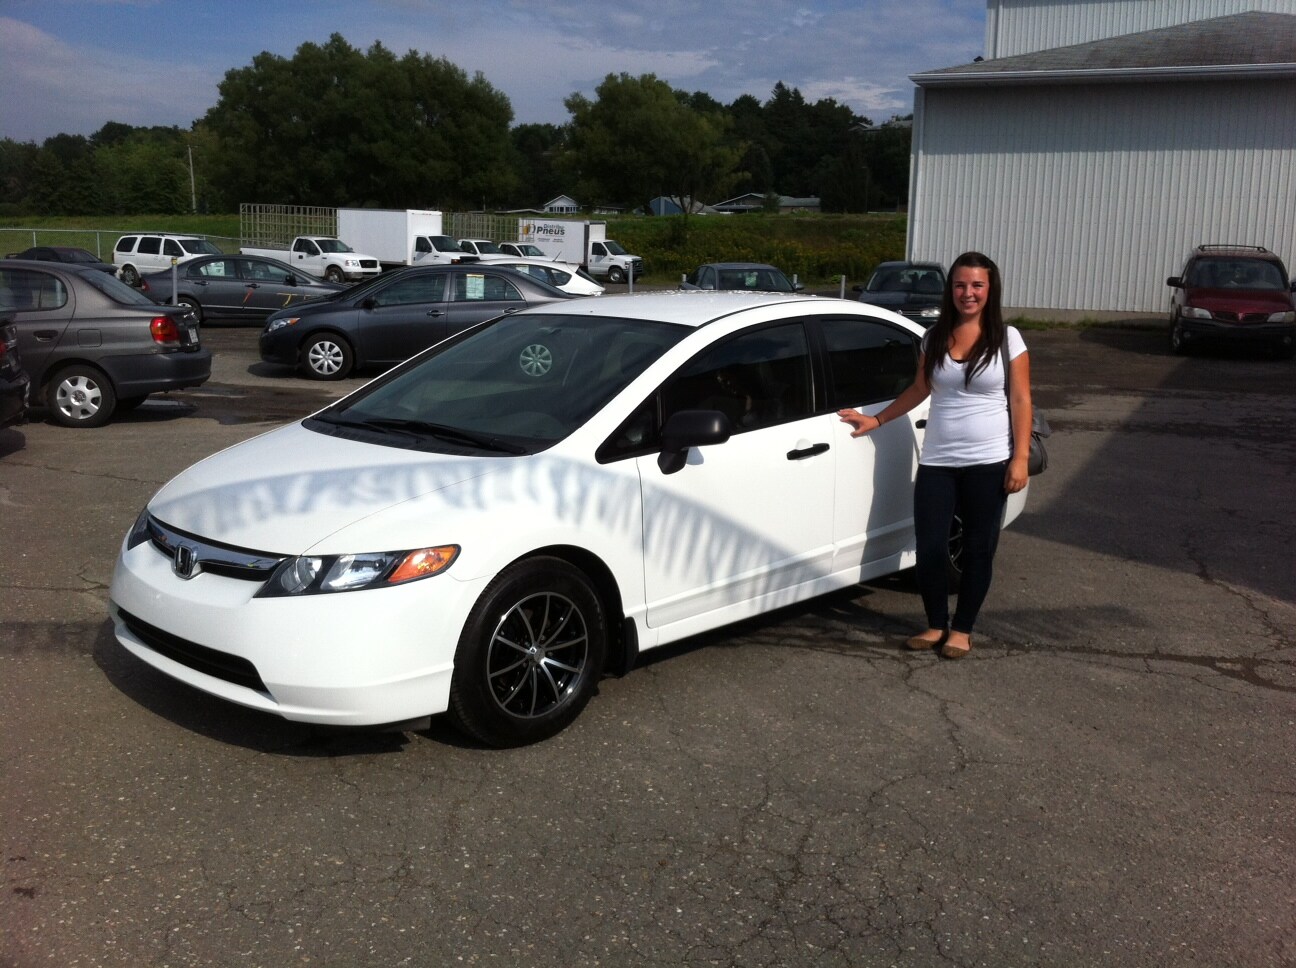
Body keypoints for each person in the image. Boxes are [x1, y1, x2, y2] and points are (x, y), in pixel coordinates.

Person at [838, 251, 1032, 659]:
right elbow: (919, 388)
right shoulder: (934, 336)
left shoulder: (1008, 338)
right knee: (928, 547)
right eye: (960, 285)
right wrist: (876, 419)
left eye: (977, 285)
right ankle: (934, 624)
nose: (968, 293)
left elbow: (1020, 398)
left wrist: (1018, 459)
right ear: (951, 289)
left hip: (988, 461)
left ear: (990, 289)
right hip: (938, 461)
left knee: (979, 548)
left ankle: (962, 630)